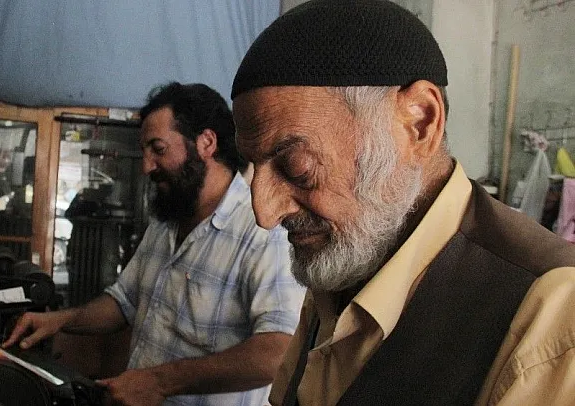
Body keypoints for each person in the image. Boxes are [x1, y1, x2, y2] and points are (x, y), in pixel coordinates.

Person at [229, 1, 575, 405]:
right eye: (252, 168)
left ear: (419, 122)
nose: (265, 213)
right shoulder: (352, 248)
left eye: (297, 167)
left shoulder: (549, 315)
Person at [4, 82, 305, 405]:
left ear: (206, 143)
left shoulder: (262, 232)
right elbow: (123, 302)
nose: (146, 166)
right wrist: (58, 321)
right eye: (145, 152)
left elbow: (278, 352)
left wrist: (160, 383)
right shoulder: (166, 221)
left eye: (158, 149)